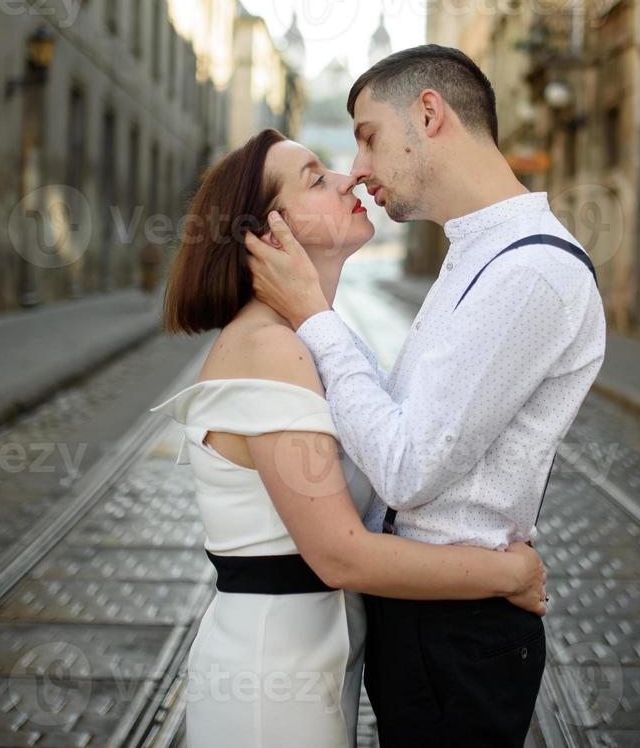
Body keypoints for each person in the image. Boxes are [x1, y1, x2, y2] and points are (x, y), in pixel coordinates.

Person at [244, 44, 608, 747]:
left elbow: (407, 469)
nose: (359, 170)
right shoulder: (477, 251)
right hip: (428, 615)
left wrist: (315, 318)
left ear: (430, 115)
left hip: (458, 635)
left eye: (368, 136)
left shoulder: (529, 272)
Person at [149, 127, 548, 748]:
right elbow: (340, 554)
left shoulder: (303, 340)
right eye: (316, 177)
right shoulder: (268, 350)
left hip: (313, 662)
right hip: (271, 684)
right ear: (268, 233)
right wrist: (507, 576)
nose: (349, 179)